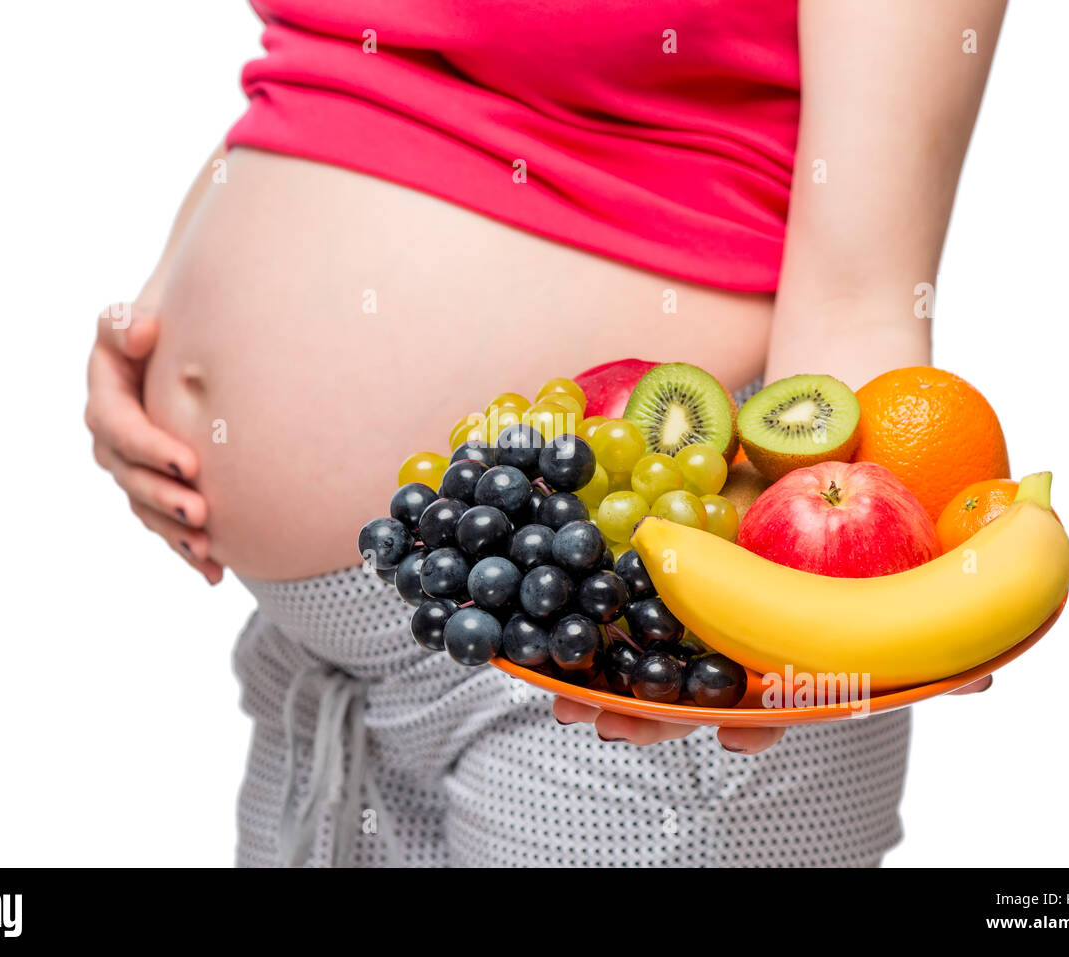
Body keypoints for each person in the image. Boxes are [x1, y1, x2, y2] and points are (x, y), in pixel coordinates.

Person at [85, 0, 1004, 866]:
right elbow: (333, 69)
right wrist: (165, 309)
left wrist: (811, 628)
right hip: (325, 671)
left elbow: (859, 294)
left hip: (624, 637)